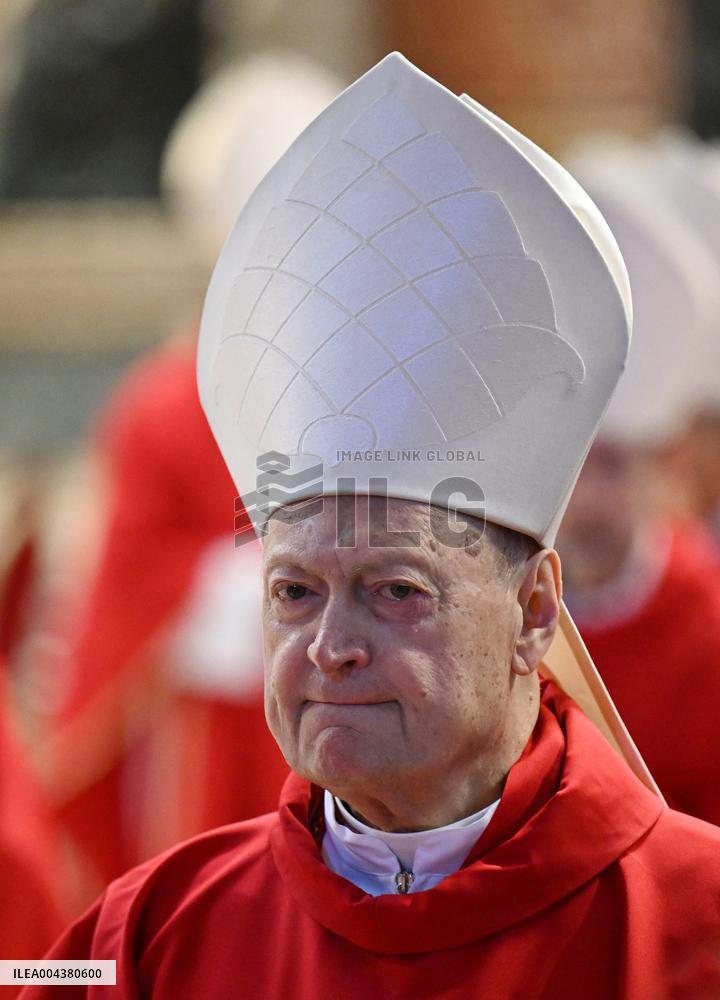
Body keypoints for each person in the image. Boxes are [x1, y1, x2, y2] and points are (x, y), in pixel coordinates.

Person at [21, 53, 720, 999]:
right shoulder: (147, 939)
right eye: (293, 593)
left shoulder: (693, 927)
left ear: (534, 609)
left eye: (396, 590)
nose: (330, 648)